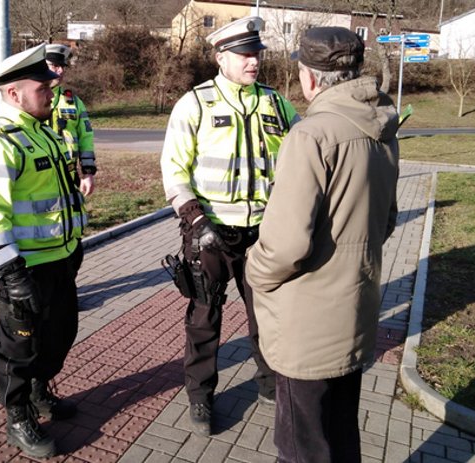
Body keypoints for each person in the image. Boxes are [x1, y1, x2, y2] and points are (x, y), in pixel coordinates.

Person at [245, 27, 400, 463]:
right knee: (341, 435)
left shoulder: (312, 135)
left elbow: (285, 246)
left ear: (309, 77)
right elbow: (386, 221)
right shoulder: (384, 127)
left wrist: (253, 271)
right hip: (355, 310)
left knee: (302, 448)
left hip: (306, 326)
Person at [160, 16, 300, 436]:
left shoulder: (277, 105)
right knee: (205, 317)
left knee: (268, 315)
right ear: (221, 58)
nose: (253, 60)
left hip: (264, 232)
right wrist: (194, 218)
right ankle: (201, 396)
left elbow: (302, 160)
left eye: (257, 52)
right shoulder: (196, 103)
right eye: (244, 54)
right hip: (210, 233)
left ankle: (270, 384)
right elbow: (173, 170)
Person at [0, 43, 86, 459]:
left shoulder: (45, 135)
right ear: (14, 94)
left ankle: (39, 392)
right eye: (42, 88)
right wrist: (12, 275)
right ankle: (17, 416)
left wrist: (73, 248)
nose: (51, 93)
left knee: (60, 334)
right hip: (24, 269)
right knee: (18, 348)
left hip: (59, 259)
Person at [44, 43, 97, 197]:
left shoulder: (73, 101)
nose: (60, 71)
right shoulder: (28, 100)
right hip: (40, 177)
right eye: (54, 66)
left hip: (69, 176)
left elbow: (86, 138)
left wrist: (87, 173)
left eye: (62, 66)